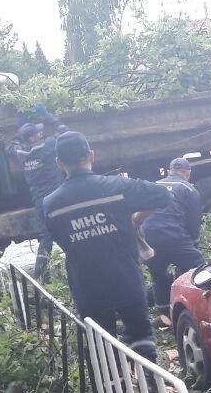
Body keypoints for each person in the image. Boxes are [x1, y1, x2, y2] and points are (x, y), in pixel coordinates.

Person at [42, 131, 173, 362]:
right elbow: (163, 196)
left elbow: (59, 238)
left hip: (88, 288)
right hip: (126, 280)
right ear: (91, 155)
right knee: (141, 338)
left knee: (103, 352)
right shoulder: (117, 187)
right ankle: (151, 390)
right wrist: (136, 220)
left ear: (59, 163)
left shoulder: (51, 204)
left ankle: (116, 392)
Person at [142, 157, 205, 315]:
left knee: (158, 273)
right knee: (200, 269)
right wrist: (193, 245)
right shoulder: (189, 189)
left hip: (147, 238)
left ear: (169, 171)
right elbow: (193, 223)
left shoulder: (154, 185)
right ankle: (201, 306)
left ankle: (164, 312)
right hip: (173, 236)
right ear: (187, 174)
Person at [11, 107, 68, 279]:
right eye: (37, 132)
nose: (41, 133)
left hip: (40, 202)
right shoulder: (49, 146)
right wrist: (47, 114)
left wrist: (20, 127)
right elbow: (65, 132)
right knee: (68, 230)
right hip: (57, 198)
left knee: (46, 238)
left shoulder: (21, 153)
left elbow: (13, 143)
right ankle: (83, 265)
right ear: (32, 137)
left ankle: (42, 277)